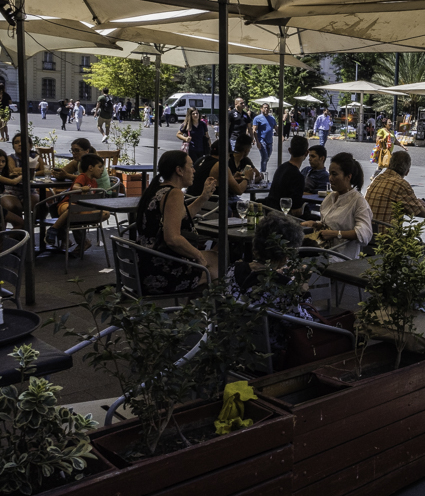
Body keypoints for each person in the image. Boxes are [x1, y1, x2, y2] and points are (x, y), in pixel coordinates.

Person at [226, 214, 315, 369]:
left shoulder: (233, 270)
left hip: (233, 351)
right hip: (269, 358)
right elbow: (307, 324)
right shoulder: (280, 286)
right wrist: (303, 289)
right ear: (287, 255)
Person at [135, 151, 218, 293]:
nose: (194, 170)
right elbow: (172, 239)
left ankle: (195, 306)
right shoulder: (174, 193)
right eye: (191, 166)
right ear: (179, 170)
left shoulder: (157, 189)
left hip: (144, 264)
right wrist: (198, 255)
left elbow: (178, 216)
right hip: (160, 272)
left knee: (215, 257)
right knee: (217, 267)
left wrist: (203, 197)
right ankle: (204, 306)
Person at [302, 152, 373, 260]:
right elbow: (330, 224)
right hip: (323, 252)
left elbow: (365, 234)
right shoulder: (330, 198)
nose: (330, 178)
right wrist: (316, 224)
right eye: (330, 174)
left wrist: (336, 234)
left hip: (341, 257)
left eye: (334, 174)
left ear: (348, 177)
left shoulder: (358, 202)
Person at [45, 153, 110, 249]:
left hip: (81, 209)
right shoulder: (82, 176)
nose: (102, 170)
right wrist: (82, 188)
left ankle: (82, 236)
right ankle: (53, 229)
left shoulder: (94, 182)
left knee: (106, 213)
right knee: (73, 209)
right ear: (90, 168)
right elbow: (75, 186)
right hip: (66, 205)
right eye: (100, 167)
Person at [364, 150, 425, 225]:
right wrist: (424, 204)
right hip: (386, 231)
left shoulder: (377, 178)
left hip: (368, 230)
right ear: (407, 172)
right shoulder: (401, 184)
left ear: (389, 165)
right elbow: (421, 213)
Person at [265, 136, 309, 216]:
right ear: (306, 153)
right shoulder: (298, 177)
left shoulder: (281, 168)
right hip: (284, 216)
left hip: (270, 211)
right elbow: (296, 210)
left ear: (289, 150)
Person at [252, 103, 277, 175]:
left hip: (270, 141)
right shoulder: (257, 118)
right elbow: (254, 130)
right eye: (265, 108)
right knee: (264, 157)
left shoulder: (272, 118)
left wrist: (281, 135)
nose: (266, 109)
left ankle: (262, 171)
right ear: (261, 109)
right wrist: (257, 141)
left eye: (267, 108)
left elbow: (276, 127)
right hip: (262, 140)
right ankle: (262, 173)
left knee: (267, 157)